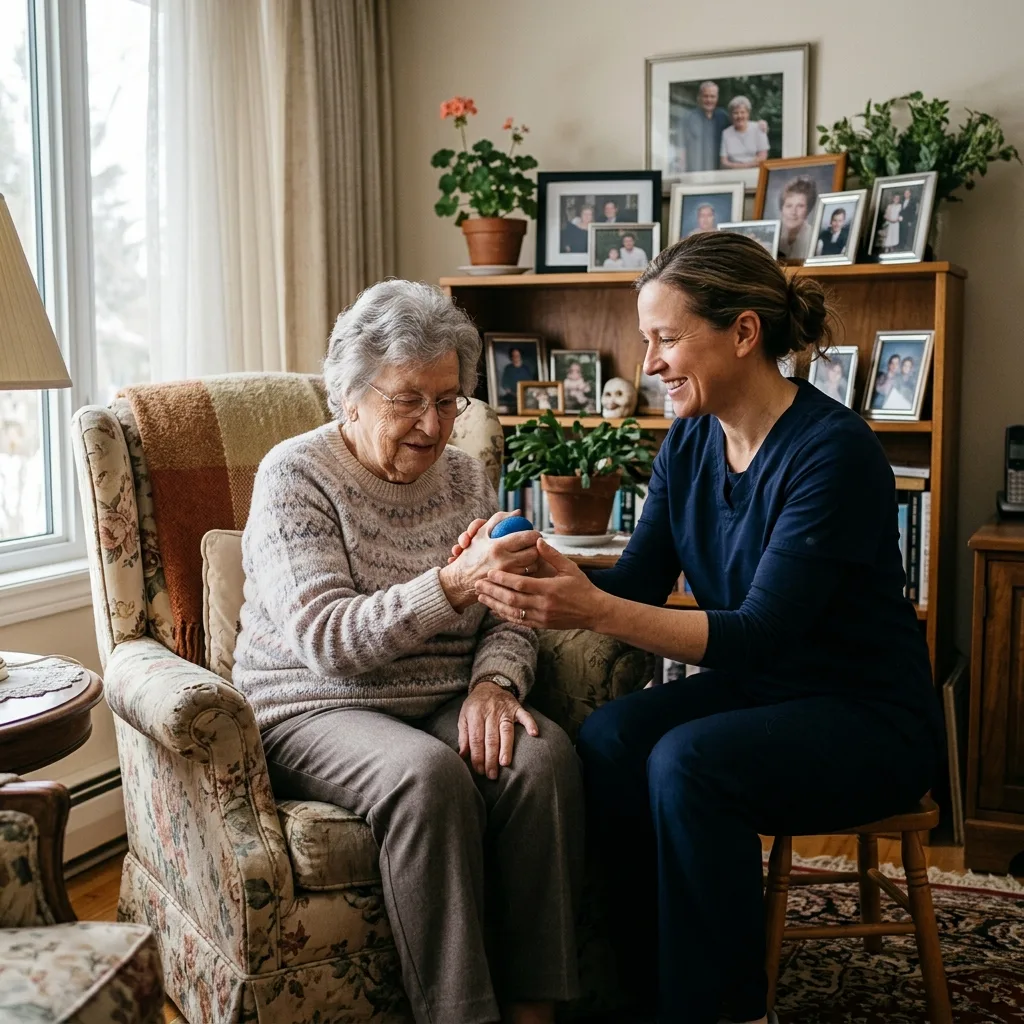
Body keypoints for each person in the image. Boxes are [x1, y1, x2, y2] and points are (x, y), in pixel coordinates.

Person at [455, 233, 943, 1023]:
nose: (649, 363)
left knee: (690, 764)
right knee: (611, 737)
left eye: (666, 338)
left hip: (868, 716)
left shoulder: (834, 454)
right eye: (646, 340)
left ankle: (725, 1010)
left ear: (743, 333)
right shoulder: (688, 441)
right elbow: (635, 584)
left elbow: (759, 634)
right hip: (762, 694)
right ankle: (642, 988)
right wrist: (533, 565)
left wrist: (591, 607)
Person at [234, 279, 584, 1024]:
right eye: (408, 400)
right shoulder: (294, 475)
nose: (433, 424)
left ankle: (536, 1010)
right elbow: (328, 638)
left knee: (540, 757)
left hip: (441, 694)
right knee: (428, 777)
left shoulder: (465, 476)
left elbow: (511, 609)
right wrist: (454, 583)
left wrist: (495, 684)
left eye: (449, 400)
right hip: (312, 706)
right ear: (350, 397)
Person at [679, 81, 731, 173]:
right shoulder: (688, 118)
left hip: (719, 173)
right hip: (694, 173)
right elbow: (681, 147)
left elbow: (740, 129)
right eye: (705, 96)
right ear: (699, 97)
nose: (709, 100)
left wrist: (758, 126)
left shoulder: (724, 117)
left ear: (717, 98)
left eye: (712, 96)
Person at [719, 96, 769, 169]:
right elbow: (724, 162)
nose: (739, 116)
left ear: (748, 114)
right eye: (735, 113)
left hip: (755, 171)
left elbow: (763, 157)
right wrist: (743, 167)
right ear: (731, 115)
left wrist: (743, 166)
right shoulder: (726, 133)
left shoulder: (759, 128)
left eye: (742, 112)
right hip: (733, 172)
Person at [776, 175, 818, 260]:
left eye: (800, 206)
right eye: (789, 206)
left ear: (808, 209)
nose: (793, 212)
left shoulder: (815, 240)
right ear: (782, 208)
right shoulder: (774, 236)